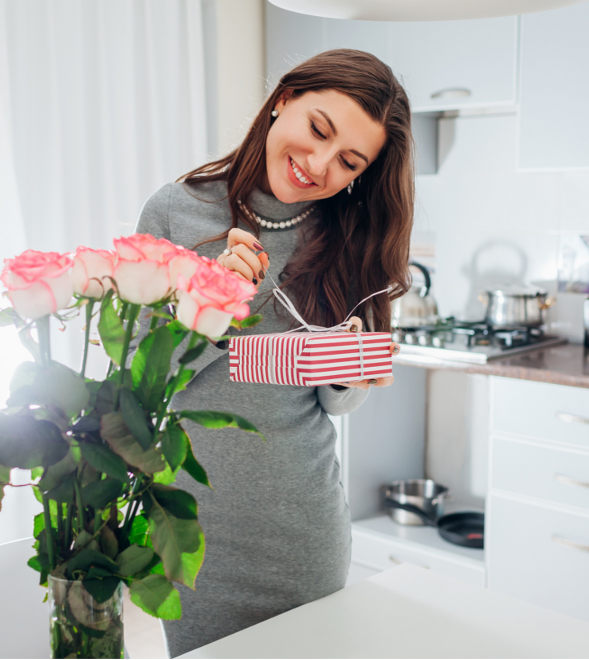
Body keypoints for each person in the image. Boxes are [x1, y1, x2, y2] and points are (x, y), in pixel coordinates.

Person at [135, 48, 413, 657]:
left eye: (349, 161)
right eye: (318, 129)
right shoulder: (175, 211)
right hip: (187, 532)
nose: (319, 164)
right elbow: (138, 376)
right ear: (284, 98)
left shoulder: (350, 236)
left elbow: (335, 409)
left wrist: (350, 368)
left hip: (300, 538)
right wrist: (215, 302)